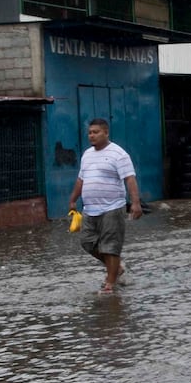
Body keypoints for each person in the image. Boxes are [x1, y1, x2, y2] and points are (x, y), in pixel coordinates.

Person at [67, 118, 143, 293]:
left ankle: (110, 283)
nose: (91, 135)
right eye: (90, 132)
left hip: (112, 208)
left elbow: (130, 178)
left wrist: (136, 203)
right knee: (87, 242)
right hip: (90, 209)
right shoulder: (87, 154)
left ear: (106, 133)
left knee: (110, 246)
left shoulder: (119, 154)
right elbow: (81, 179)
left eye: (96, 132)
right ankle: (117, 269)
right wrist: (73, 200)